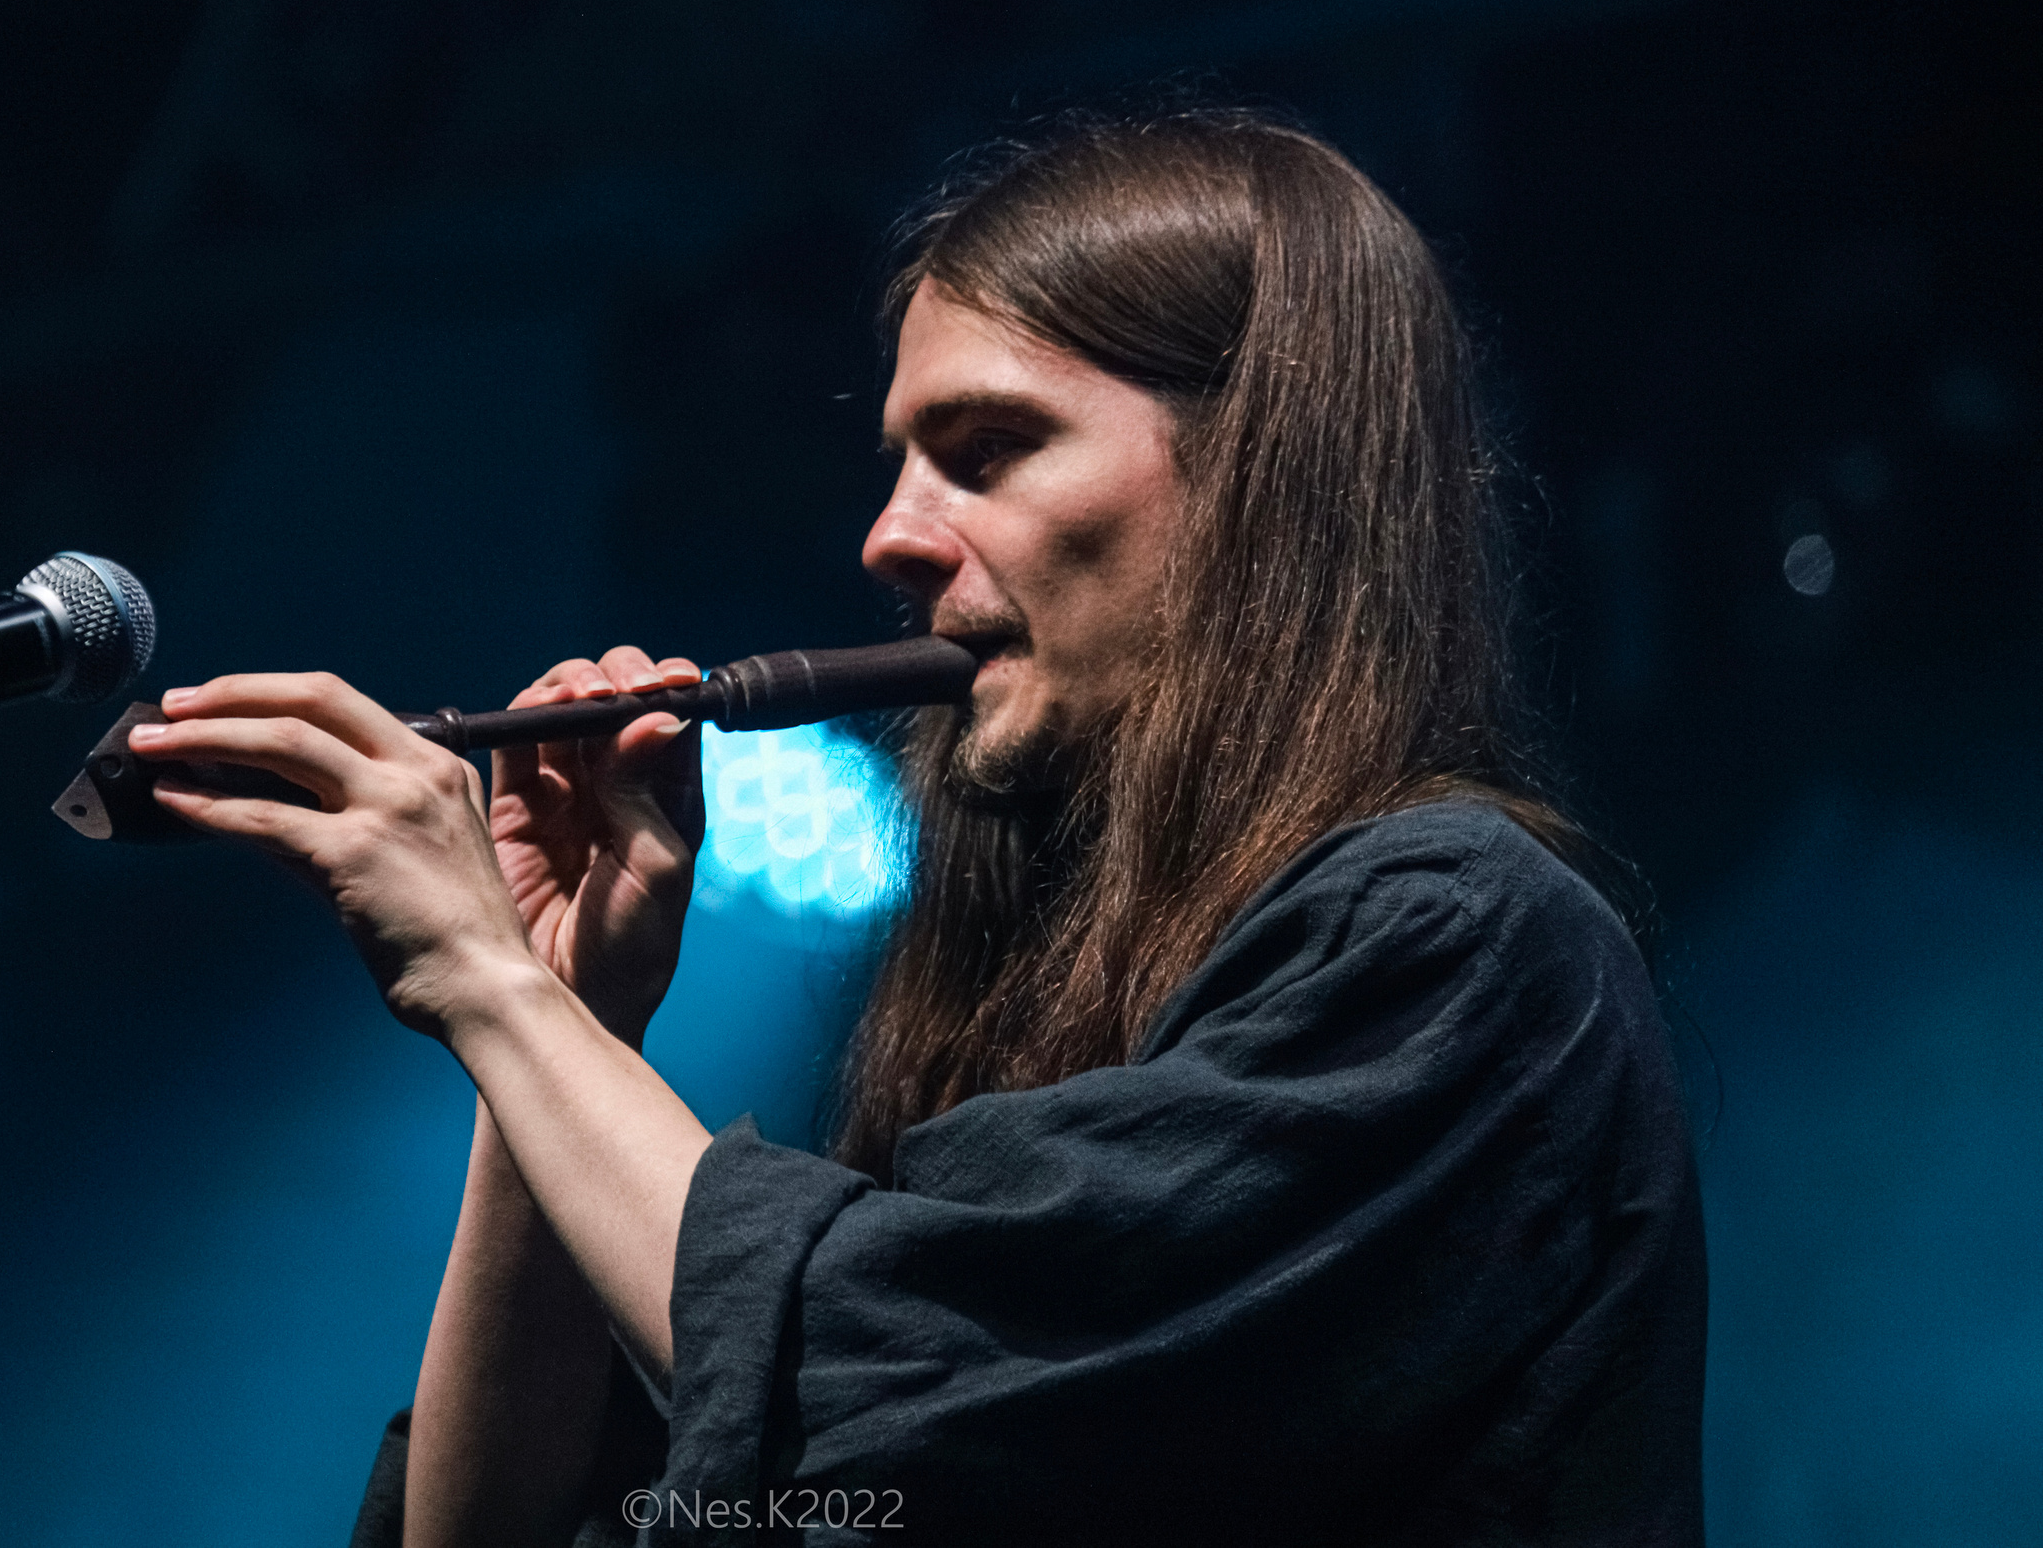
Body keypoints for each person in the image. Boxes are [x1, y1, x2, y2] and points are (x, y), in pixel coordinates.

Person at [128, 110, 1706, 1546]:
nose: (889, 536)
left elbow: (889, 1394)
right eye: (898, 462)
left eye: (988, 450)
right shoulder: (1047, 1016)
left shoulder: (1455, 936)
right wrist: (557, 1005)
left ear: (1255, 471)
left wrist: (491, 987)